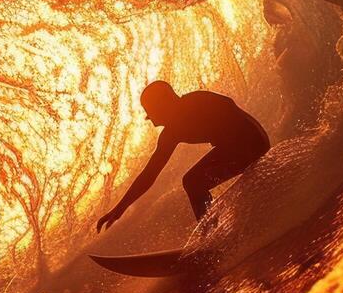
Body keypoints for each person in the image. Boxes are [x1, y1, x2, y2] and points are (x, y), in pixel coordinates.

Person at [96, 80, 269, 231]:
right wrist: (119, 209)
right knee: (194, 181)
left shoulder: (197, 102)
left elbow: (230, 106)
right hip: (236, 148)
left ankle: (211, 232)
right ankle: (214, 229)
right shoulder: (171, 133)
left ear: (164, 105)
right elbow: (149, 174)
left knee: (192, 181)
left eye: (151, 112)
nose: (151, 120)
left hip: (252, 142)